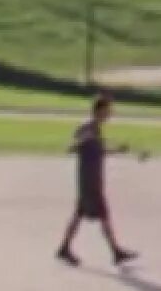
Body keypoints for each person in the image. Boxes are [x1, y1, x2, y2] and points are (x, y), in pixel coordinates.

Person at [55, 94, 141, 267]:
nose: (110, 113)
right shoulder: (88, 128)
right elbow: (73, 145)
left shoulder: (96, 130)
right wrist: (83, 139)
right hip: (89, 181)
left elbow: (100, 151)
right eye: (108, 110)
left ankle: (64, 248)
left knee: (80, 214)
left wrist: (119, 150)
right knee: (103, 215)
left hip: (91, 179)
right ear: (99, 110)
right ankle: (116, 252)